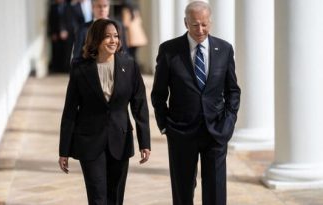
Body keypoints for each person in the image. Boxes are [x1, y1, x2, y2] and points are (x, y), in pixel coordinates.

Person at [151, 1, 241, 205]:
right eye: (194, 25)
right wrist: (165, 126)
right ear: (185, 23)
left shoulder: (224, 49)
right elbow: (158, 94)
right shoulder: (169, 50)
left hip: (216, 132)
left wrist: (228, 123)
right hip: (181, 133)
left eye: (204, 24)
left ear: (211, 22)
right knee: (182, 193)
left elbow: (233, 91)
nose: (200, 30)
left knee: (216, 194)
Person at [58, 18, 151, 205]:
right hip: (90, 141)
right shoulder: (80, 68)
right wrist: (64, 150)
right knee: (97, 198)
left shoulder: (129, 65)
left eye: (116, 36)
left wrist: (144, 142)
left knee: (116, 198)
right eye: (107, 36)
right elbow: (70, 110)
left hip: (120, 139)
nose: (113, 40)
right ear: (96, 39)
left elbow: (139, 105)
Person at [71, 0, 128, 65]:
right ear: (92, 8)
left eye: (105, 6)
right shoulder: (83, 29)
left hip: (114, 69)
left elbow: (124, 52)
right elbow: (77, 55)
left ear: (108, 7)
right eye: (99, 6)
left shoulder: (118, 26)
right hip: (91, 70)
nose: (102, 9)